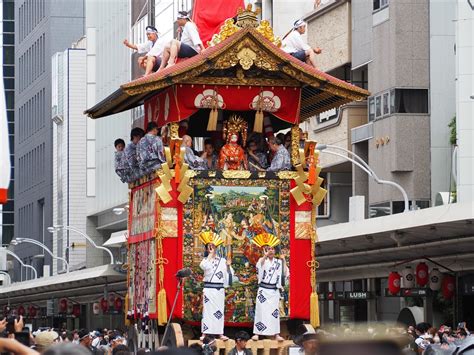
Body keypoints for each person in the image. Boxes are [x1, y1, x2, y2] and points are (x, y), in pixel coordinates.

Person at [251, 236, 289, 341]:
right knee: (261, 311)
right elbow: (259, 267)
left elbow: (285, 273)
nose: (271, 251)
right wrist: (264, 256)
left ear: (275, 250)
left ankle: (276, 334)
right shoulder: (262, 260)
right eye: (268, 249)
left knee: (274, 313)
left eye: (272, 249)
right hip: (263, 290)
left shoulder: (278, 262)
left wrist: (284, 260)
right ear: (265, 250)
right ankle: (258, 333)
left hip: (274, 291)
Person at [199, 232, 233, 341]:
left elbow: (229, 274)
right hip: (209, 288)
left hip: (219, 289)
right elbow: (204, 267)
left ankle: (219, 333)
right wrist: (209, 255)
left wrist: (228, 266)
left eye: (213, 246)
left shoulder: (222, 261)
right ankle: (205, 333)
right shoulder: (205, 260)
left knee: (219, 311)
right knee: (207, 311)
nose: (211, 248)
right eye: (209, 247)